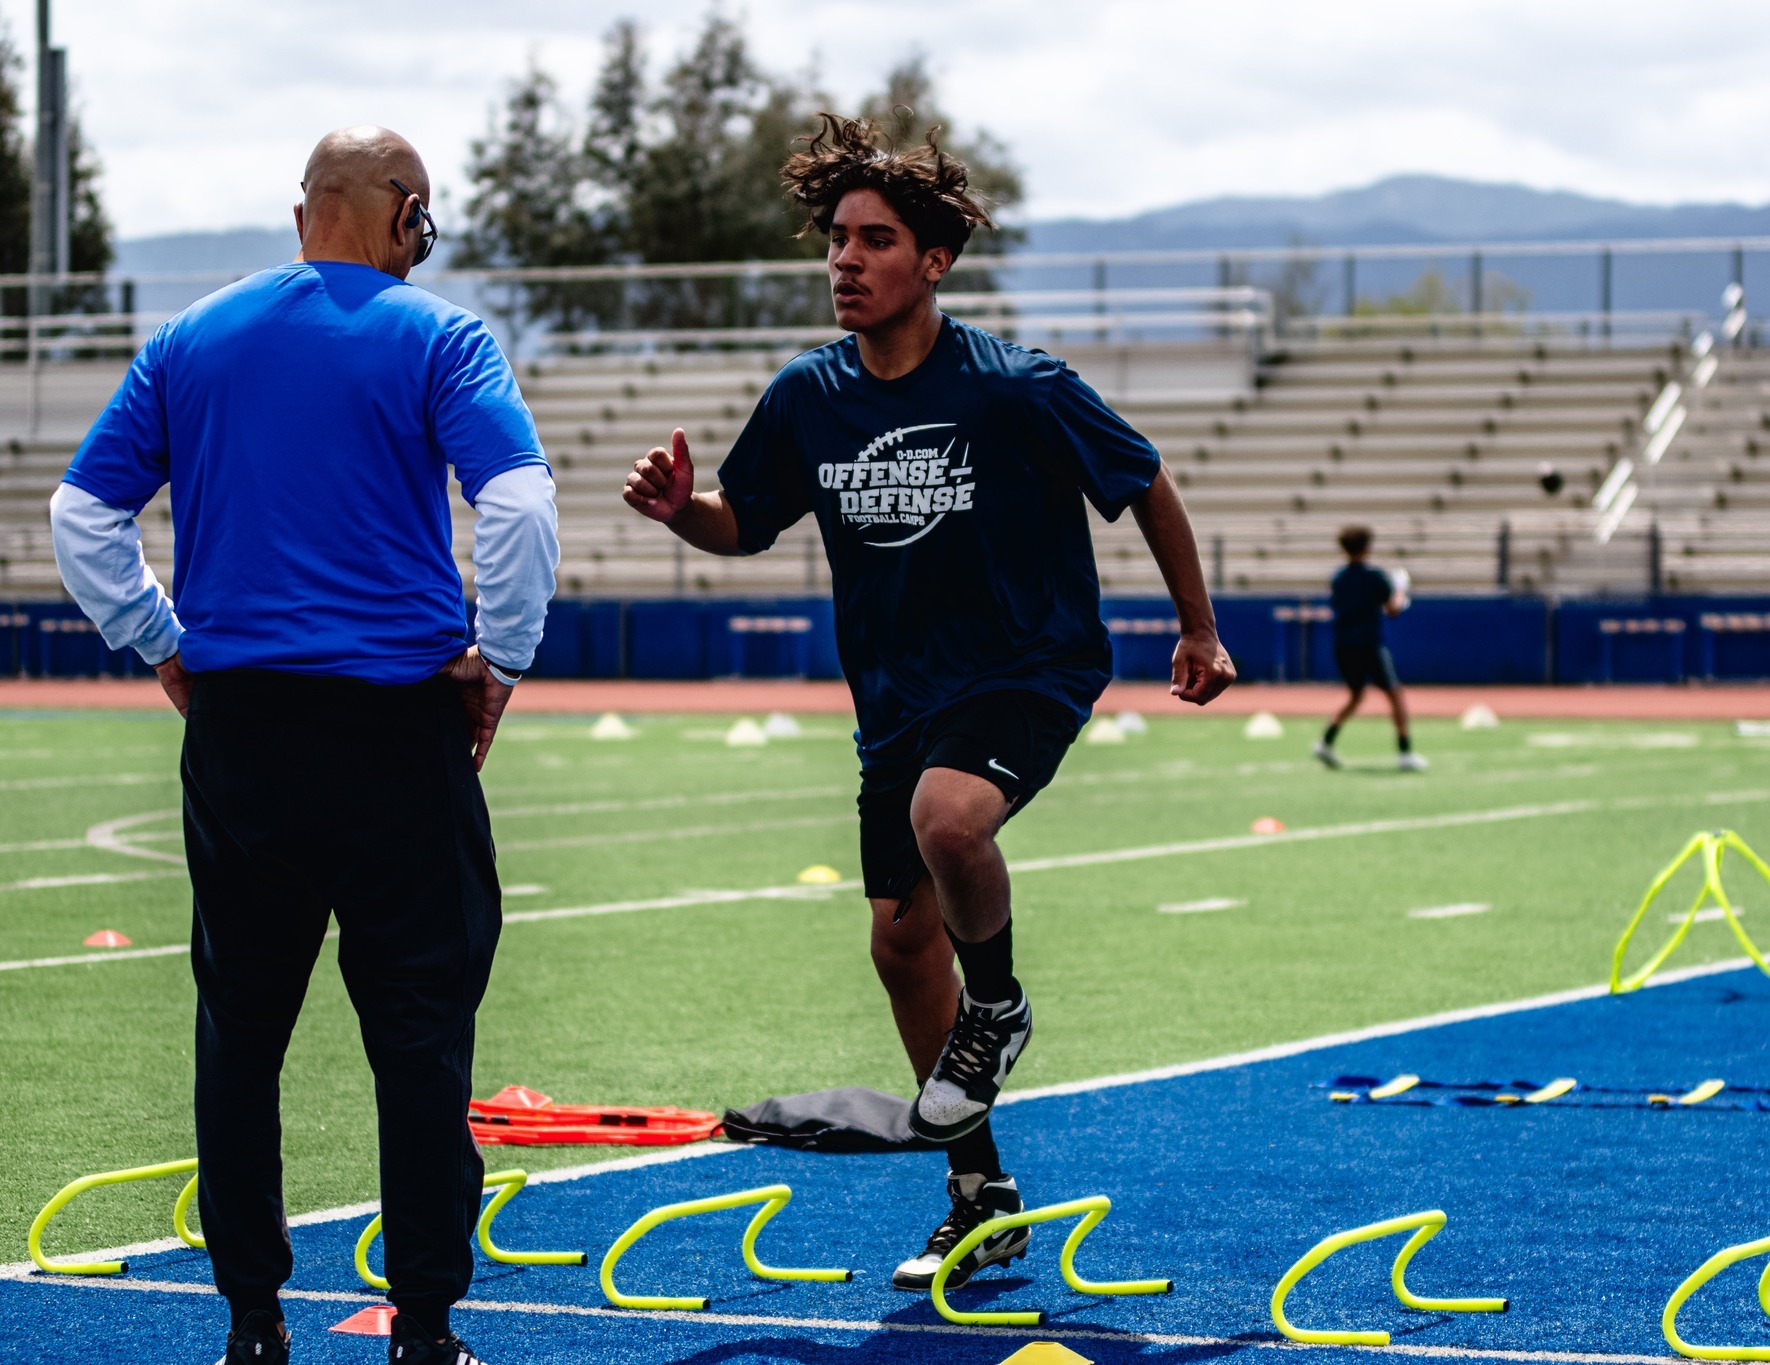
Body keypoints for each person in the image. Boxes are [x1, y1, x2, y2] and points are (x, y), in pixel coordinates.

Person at [622, 113, 1234, 1291]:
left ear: (932, 263)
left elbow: (1144, 478)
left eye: (874, 241)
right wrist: (679, 511)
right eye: (837, 241)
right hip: (893, 701)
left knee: (949, 820)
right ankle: (978, 1193)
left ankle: (995, 1007)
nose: (845, 262)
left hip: (1028, 666)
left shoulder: (1016, 387)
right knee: (901, 941)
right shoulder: (807, 394)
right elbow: (742, 524)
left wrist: (1197, 627)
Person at [49, 126, 558, 1365]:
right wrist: (503, 655)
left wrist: (159, 641)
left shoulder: (189, 339)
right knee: (421, 1036)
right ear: (399, 211)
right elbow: (520, 499)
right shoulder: (439, 336)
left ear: (301, 212)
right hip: (395, 734)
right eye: (422, 216)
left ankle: (252, 1324)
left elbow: (82, 514)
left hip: (243, 737)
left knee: (242, 1032)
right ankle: (425, 1328)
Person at [1313, 526, 1424, 771]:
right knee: (1395, 695)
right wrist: (1402, 591)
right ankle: (1405, 752)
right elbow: (1393, 608)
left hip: (1343, 644)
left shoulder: (1338, 577)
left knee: (1355, 695)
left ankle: (1325, 742)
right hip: (1369, 644)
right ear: (1368, 546)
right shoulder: (1375, 575)